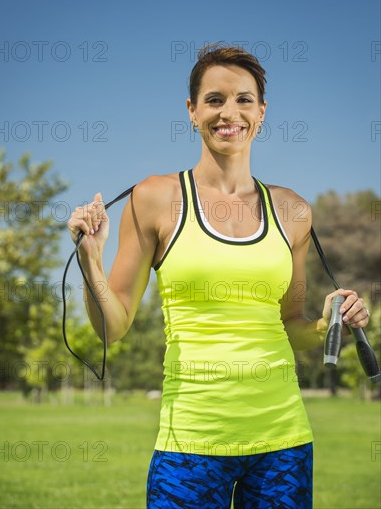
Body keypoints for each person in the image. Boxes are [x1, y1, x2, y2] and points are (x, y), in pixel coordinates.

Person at [67, 43, 370, 509]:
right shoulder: (154, 198)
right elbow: (114, 325)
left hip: (283, 442)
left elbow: (290, 327)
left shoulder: (292, 210)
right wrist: (91, 261)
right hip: (189, 444)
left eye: (244, 99)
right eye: (214, 100)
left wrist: (328, 320)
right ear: (191, 111)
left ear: (262, 112)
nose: (230, 112)